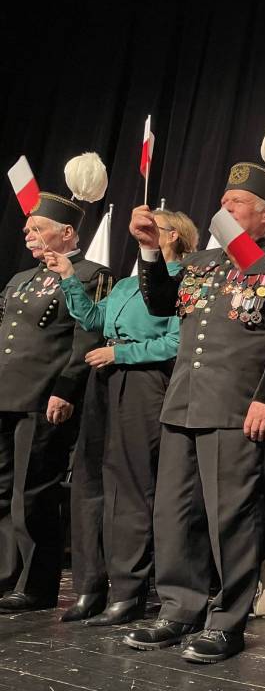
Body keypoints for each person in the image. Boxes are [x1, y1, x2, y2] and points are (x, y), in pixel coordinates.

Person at [123, 159, 265, 663]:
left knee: (230, 517)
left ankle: (227, 621)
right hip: (183, 401)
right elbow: (162, 304)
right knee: (173, 513)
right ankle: (178, 609)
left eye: (238, 202)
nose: (225, 207)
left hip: (235, 405)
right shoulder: (201, 261)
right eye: (224, 200)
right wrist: (149, 249)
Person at [46, 208, 198, 625]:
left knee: (130, 487)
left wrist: (122, 353)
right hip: (104, 378)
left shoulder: (182, 281)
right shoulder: (129, 283)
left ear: (173, 236)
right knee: (91, 481)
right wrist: (68, 277)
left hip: (143, 381)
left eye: (154, 228)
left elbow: (176, 343)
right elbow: (94, 319)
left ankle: (128, 591)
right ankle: (90, 586)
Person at [0, 192, 113, 611]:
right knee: (2, 490)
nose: (28, 234)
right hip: (5, 392)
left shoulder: (90, 274)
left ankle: (36, 584)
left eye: (38, 228)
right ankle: (5, 575)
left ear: (66, 232)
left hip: (42, 396)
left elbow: (88, 336)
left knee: (32, 492)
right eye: (27, 229)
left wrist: (66, 388)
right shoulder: (21, 278)